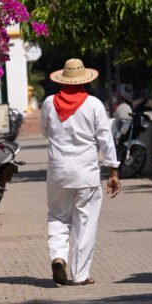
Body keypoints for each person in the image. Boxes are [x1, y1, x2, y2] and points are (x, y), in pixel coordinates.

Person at [40, 58, 121, 286]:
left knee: (57, 216)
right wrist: (113, 171)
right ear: (85, 80)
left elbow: (43, 132)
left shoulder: (48, 102)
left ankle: (58, 256)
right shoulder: (94, 104)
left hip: (58, 173)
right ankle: (81, 275)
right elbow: (106, 139)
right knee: (86, 222)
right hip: (86, 173)